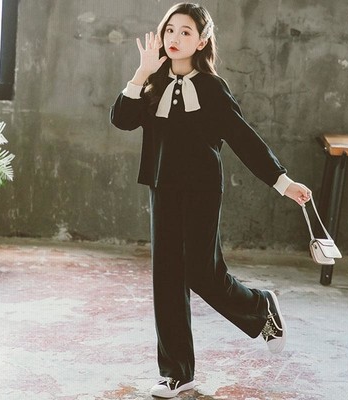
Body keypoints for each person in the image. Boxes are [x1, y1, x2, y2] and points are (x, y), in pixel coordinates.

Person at [110, 2, 311, 398]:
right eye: (170, 30)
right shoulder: (152, 83)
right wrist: (141, 72)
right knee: (167, 279)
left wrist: (282, 181)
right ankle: (177, 373)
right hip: (162, 187)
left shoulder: (213, 88)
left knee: (203, 274)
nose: (174, 38)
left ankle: (261, 308)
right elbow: (122, 119)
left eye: (185, 32)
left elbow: (243, 137)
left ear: (201, 41)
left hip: (201, 189)